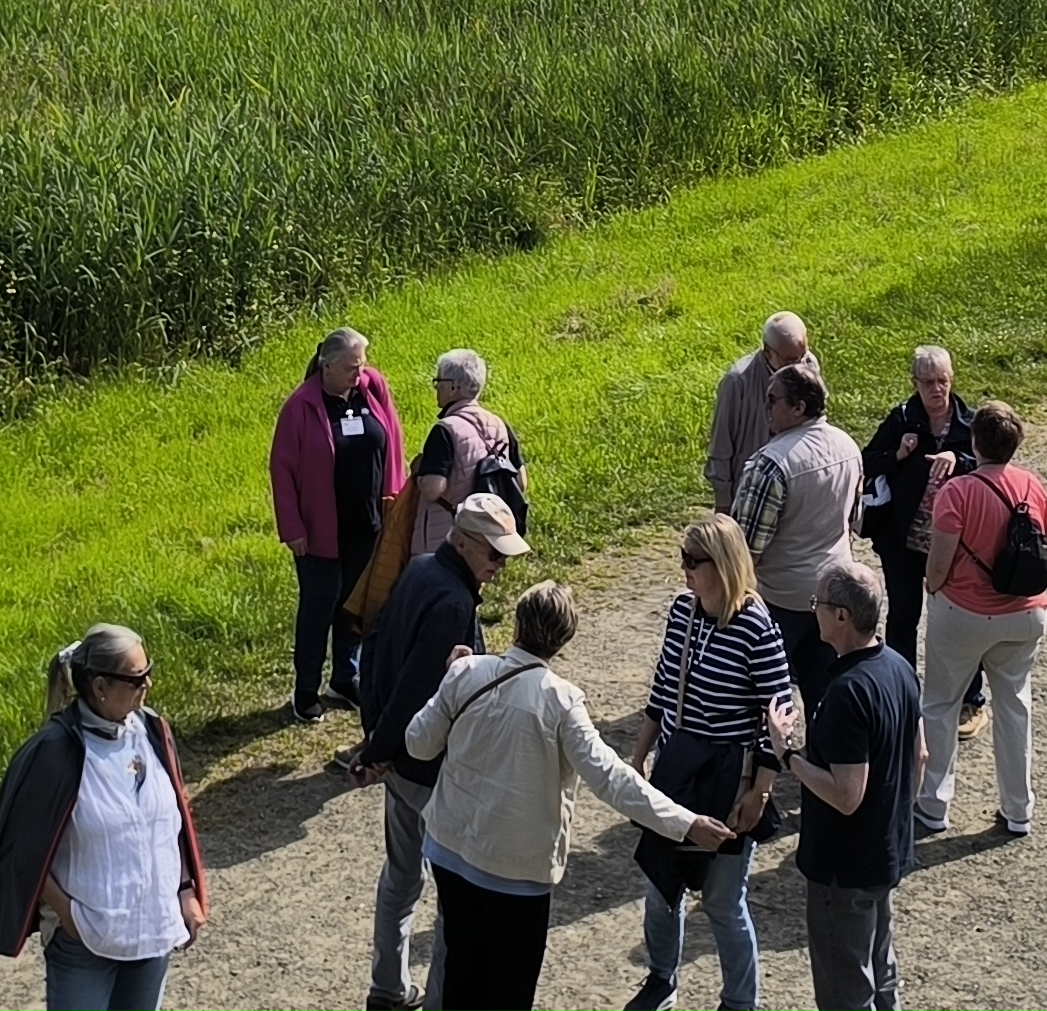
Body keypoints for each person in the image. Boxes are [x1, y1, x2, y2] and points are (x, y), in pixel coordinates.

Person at [405, 581, 732, 1011]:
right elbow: (611, 778)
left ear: (518, 623)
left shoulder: (467, 674)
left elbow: (418, 743)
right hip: (517, 875)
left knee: (462, 974)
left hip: (450, 853)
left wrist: (449, 679)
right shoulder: (561, 702)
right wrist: (684, 822)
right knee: (509, 991)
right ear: (563, 639)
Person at [0, 624, 211, 1010]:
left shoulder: (153, 730)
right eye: (137, 678)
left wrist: (185, 890)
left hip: (151, 930)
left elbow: (168, 820)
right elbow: (23, 850)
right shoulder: (55, 752)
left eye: (148, 672)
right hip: (85, 944)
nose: (149, 684)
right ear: (100, 687)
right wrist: (69, 916)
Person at [353, 491, 520, 1011]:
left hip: (401, 762)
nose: (500, 566)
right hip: (431, 770)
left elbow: (376, 647)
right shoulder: (452, 602)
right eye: (494, 554)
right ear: (464, 542)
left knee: (400, 879)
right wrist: (380, 745)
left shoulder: (422, 568)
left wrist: (375, 739)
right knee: (456, 896)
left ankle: (387, 987)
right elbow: (417, 686)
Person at [624, 516, 794, 1011]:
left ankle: (740, 1002)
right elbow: (661, 691)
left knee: (722, 901)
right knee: (660, 886)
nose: (684, 570)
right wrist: (638, 756)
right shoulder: (683, 612)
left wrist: (759, 792)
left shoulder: (758, 629)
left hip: (726, 779)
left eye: (692, 561)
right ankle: (662, 979)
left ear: (721, 566)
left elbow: (778, 722)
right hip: (678, 770)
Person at [772, 557, 918, 1011]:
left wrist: (787, 755)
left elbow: (846, 794)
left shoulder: (847, 693)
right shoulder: (898, 667)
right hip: (886, 853)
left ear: (842, 616)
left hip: (845, 868)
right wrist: (892, 820)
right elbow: (922, 755)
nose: (811, 608)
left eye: (817, 602)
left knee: (846, 994)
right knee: (881, 973)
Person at [912, 403, 1047, 840]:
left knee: (940, 705)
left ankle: (934, 806)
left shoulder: (957, 492)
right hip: (1026, 613)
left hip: (965, 614)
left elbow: (938, 566)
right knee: (1015, 707)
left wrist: (933, 589)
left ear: (975, 443)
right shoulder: (1032, 485)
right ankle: (1018, 811)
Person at [274, 328, 407, 722]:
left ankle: (346, 676)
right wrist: (292, 527)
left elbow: (393, 441)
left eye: (362, 364)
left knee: (354, 604)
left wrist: (395, 502)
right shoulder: (300, 407)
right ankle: (306, 689)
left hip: (366, 523)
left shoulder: (372, 387)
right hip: (318, 531)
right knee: (319, 605)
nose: (359, 372)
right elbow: (281, 472)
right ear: (326, 366)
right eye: (352, 367)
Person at [858, 347, 984, 725]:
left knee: (960, 623)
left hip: (955, 547)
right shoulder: (902, 418)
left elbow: (991, 466)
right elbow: (865, 460)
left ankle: (969, 699)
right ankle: (901, 692)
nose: (936, 389)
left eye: (942, 380)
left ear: (952, 379)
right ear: (914, 383)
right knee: (903, 618)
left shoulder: (970, 423)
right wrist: (898, 454)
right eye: (928, 382)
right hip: (903, 542)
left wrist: (959, 462)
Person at [731, 362, 865, 693]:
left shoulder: (770, 464)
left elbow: (744, 550)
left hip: (782, 600)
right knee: (822, 692)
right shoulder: (848, 445)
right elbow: (853, 520)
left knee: (763, 692)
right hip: (834, 592)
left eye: (773, 400)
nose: (766, 409)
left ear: (798, 408)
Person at [408, 350, 516, 563]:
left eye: (438, 381)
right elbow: (520, 480)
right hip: (486, 534)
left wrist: (417, 471)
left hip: (445, 538)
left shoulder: (445, 430)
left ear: (453, 386)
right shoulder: (500, 425)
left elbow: (432, 489)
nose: (436, 387)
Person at [707, 313, 818, 508]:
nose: (800, 366)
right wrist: (723, 504)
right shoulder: (738, 382)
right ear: (768, 353)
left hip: (797, 484)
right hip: (751, 491)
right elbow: (721, 447)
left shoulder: (808, 366)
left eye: (804, 356)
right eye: (791, 360)